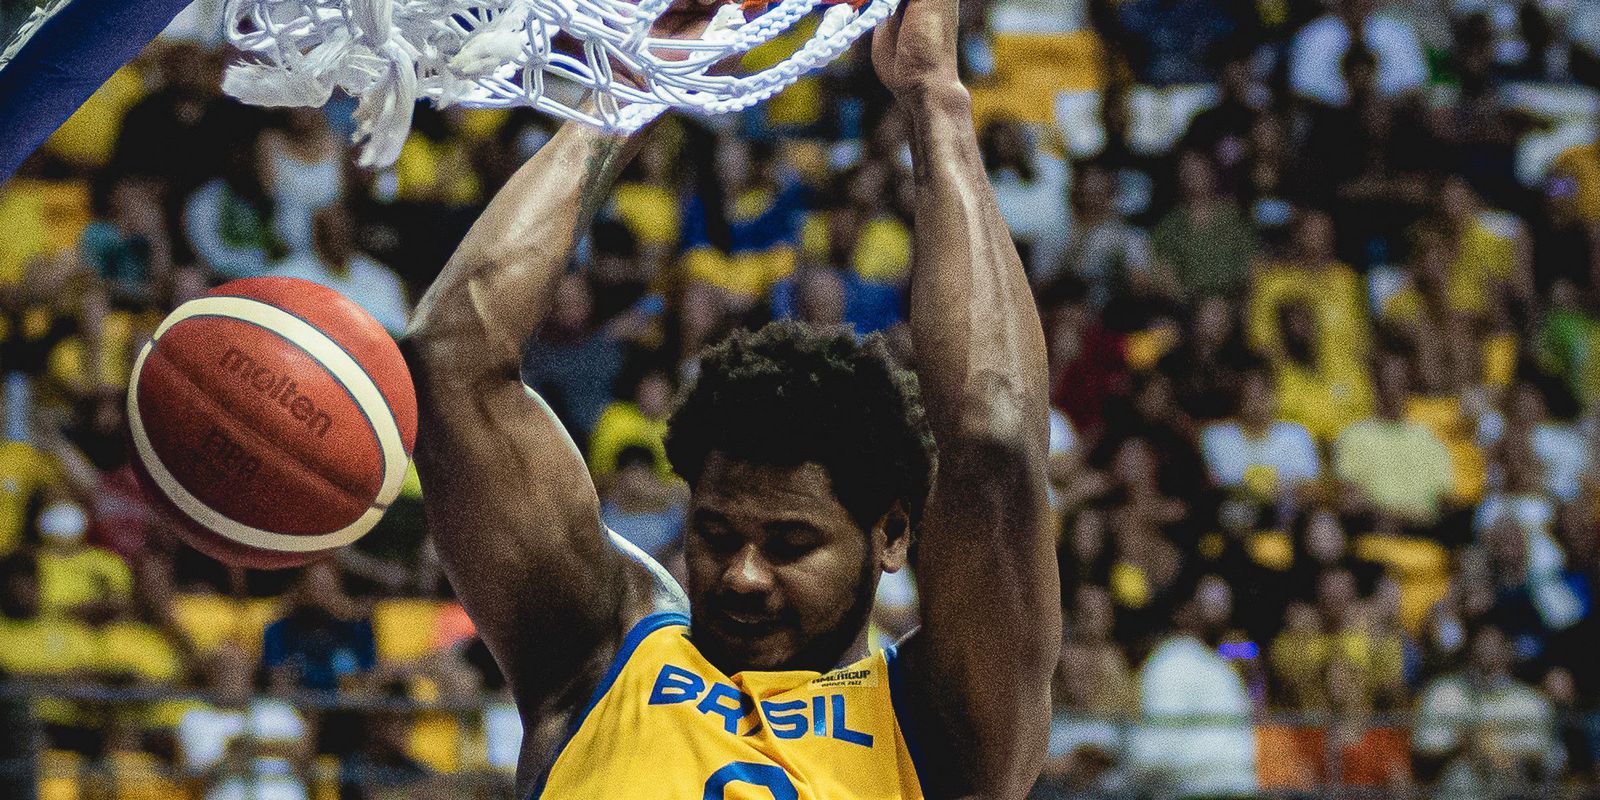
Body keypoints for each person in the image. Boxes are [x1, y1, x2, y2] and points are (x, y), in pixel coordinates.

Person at [399, 0, 1058, 795]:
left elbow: (993, 438)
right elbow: (452, 359)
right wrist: (640, 82)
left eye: (789, 544)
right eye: (715, 533)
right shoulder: (605, 651)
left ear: (890, 534)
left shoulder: (939, 725)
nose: (742, 576)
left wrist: (935, 99)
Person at [268, 205, 411, 336]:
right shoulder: (284, 277)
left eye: (342, 232)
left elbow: (396, 330)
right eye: (327, 233)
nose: (336, 239)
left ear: (351, 233)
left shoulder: (382, 279)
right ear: (316, 234)